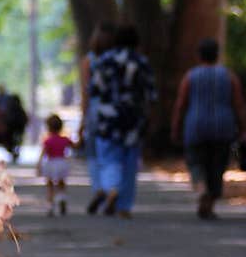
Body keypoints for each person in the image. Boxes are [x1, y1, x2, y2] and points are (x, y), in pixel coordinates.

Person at [171, 37, 246, 220]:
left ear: (199, 55)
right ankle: (209, 203)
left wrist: (175, 127)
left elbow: (180, 104)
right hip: (223, 127)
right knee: (217, 166)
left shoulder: (191, 76)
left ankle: (201, 189)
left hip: (195, 126)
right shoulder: (229, 77)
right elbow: (238, 104)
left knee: (195, 163)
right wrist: (244, 129)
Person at [86, 21, 156, 218]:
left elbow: (94, 90)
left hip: (107, 118)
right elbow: (151, 94)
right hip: (133, 118)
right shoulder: (141, 62)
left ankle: (112, 189)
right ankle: (124, 205)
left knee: (109, 159)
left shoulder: (103, 61)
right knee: (130, 162)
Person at [79, 19, 116, 206]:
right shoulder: (118, 60)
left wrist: (83, 119)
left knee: (93, 153)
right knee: (111, 150)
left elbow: (86, 91)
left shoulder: (89, 61)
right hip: (115, 110)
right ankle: (111, 187)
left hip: (95, 109)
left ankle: (99, 188)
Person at [36, 113, 77, 215]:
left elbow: (43, 154)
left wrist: (39, 165)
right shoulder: (65, 139)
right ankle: (62, 197)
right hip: (62, 162)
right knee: (61, 183)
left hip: (51, 163)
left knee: (50, 185)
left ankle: (50, 205)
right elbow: (75, 146)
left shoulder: (48, 141)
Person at [0, 85, 28, 157]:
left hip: (14, 130)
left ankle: (13, 149)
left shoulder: (11, 109)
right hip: (16, 130)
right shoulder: (19, 110)